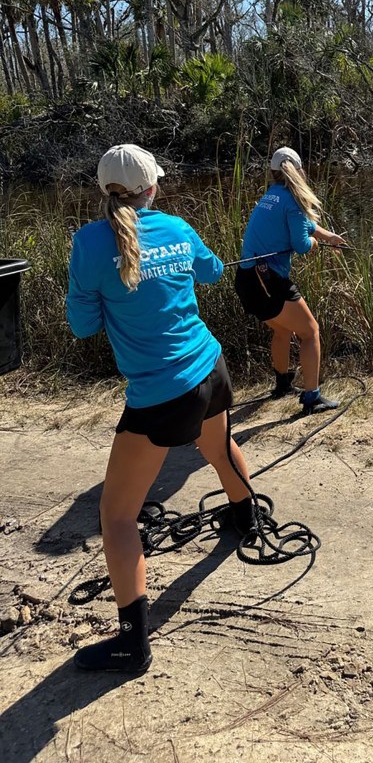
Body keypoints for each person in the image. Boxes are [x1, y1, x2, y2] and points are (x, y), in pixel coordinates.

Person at [66, 143, 256, 675]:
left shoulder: (87, 243)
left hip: (161, 392)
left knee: (117, 514)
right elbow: (214, 273)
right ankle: (246, 518)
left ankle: (132, 643)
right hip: (209, 366)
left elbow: (82, 326)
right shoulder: (176, 226)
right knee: (218, 447)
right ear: (153, 188)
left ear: (105, 192)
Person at [235, 146, 345, 413]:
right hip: (267, 282)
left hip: (247, 279)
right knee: (311, 332)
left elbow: (306, 225)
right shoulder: (293, 201)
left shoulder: (271, 196)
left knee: (282, 330)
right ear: (299, 172)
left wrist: (328, 236)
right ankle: (312, 398)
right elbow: (302, 243)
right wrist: (314, 244)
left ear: (273, 173)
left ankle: (283, 384)